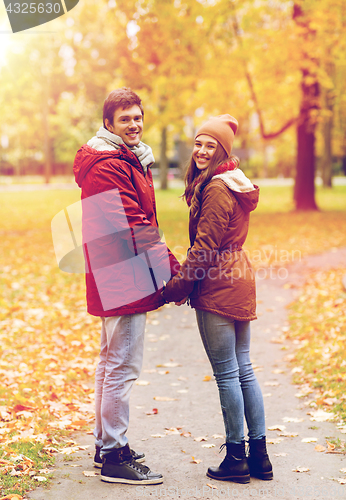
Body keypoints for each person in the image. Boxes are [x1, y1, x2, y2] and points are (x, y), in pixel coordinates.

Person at [73, 87, 179, 485]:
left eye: (137, 117)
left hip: (119, 271)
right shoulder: (109, 165)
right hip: (122, 274)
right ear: (108, 124)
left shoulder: (126, 158)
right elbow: (135, 225)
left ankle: (105, 445)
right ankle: (115, 455)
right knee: (122, 365)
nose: (133, 124)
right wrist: (172, 270)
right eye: (125, 119)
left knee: (109, 361)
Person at [162, 115, 273, 484]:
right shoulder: (233, 182)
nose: (202, 151)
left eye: (211, 145)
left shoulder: (216, 189)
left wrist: (176, 289)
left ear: (223, 151)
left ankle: (237, 458)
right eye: (198, 143)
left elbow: (205, 248)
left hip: (220, 282)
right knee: (244, 367)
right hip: (239, 275)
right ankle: (260, 458)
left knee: (229, 372)